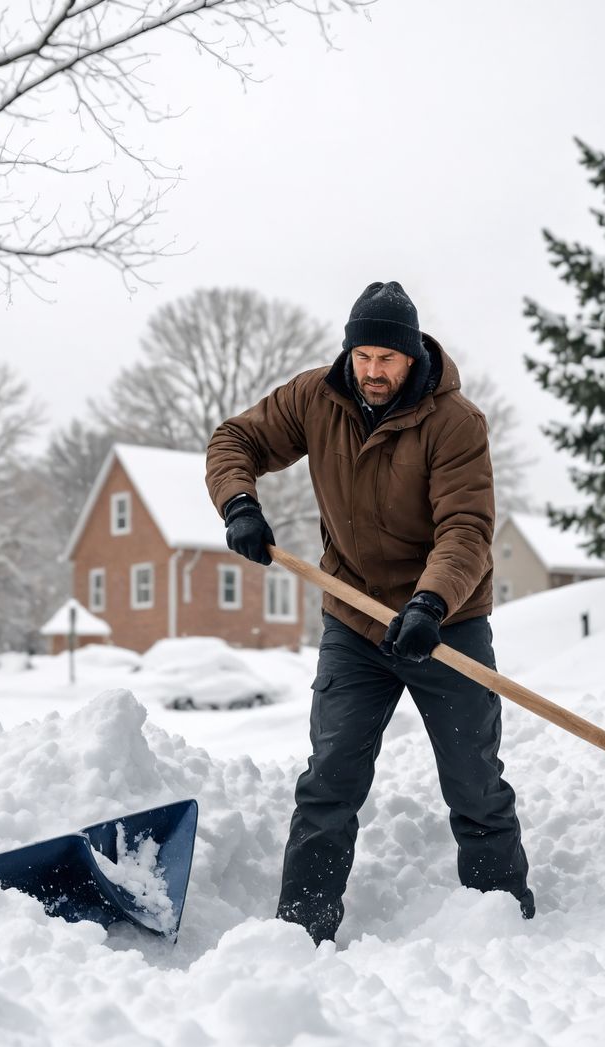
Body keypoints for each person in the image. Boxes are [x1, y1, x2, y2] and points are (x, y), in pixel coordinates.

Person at [204, 280, 534, 944]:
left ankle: (502, 913)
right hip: (355, 623)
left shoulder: (455, 422)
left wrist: (431, 602)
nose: (373, 371)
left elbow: (466, 529)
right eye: (363, 356)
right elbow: (234, 438)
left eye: (388, 358)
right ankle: (302, 927)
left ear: (413, 357)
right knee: (330, 778)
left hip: (447, 622)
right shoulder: (314, 398)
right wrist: (238, 502)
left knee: (474, 780)